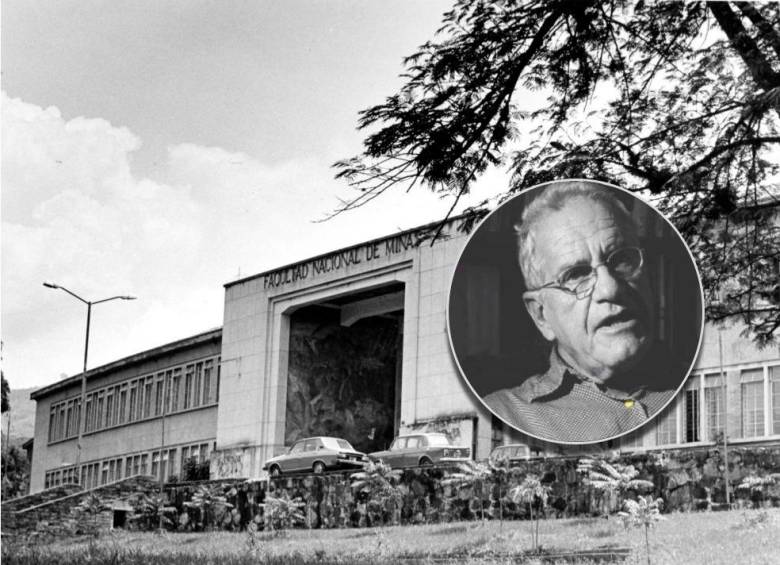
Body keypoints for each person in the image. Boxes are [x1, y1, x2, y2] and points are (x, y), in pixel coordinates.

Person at [484, 181, 682, 443]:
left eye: (622, 259)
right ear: (541, 315)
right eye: (576, 274)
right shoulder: (507, 415)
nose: (610, 289)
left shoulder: (694, 383)